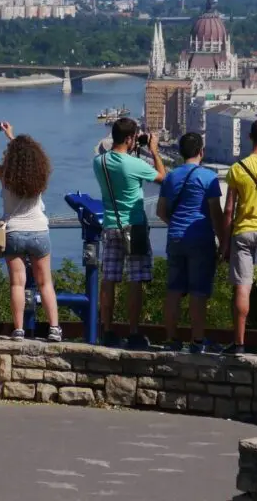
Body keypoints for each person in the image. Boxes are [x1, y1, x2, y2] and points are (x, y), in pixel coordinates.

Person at [0, 121, 61, 342]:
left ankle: (18, 330)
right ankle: (54, 327)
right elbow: (25, 153)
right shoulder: (40, 177)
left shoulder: (6, 175)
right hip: (39, 231)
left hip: (13, 232)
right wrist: (12, 136)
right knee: (45, 282)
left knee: (17, 282)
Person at [93, 117, 166, 350]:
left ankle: (107, 330)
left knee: (109, 279)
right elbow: (162, 177)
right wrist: (153, 151)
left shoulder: (99, 162)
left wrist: (134, 149)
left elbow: (121, 166)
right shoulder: (134, 165)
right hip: (134, 227)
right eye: (135, 137)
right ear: (129, 138)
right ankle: (134, 331)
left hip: (111, 226)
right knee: (135, 280)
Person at [156, 133, 223, 353]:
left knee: (174, 290)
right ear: (201, 152)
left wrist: (176, 223)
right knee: (198, 291)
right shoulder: (209, 178)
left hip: (175, 237)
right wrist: (223, 243)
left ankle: (171, 338)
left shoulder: (170, 177)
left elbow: (160, 211)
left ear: (181, 152)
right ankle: (197, 341)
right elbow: (216, 214)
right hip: (200, 238)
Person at [222, 120, 257, 355]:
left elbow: (228, 210)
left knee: (242, 288)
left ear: (249, 137)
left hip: (243, 231)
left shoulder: (238, 169)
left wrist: (224, 242)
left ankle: (239, 343)